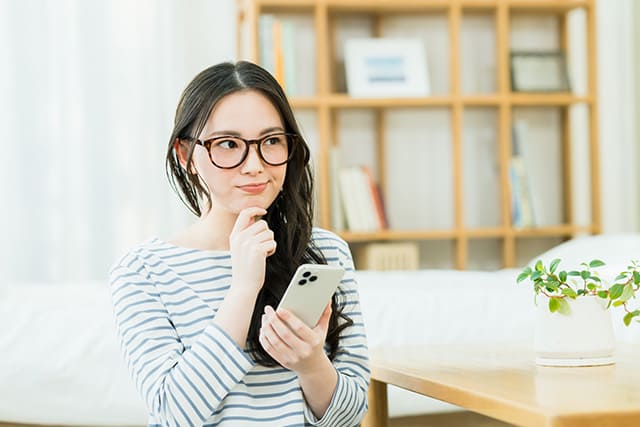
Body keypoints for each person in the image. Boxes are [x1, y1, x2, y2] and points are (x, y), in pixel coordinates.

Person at [109, 61, 370, 426]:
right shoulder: (143, 271)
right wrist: (244, 289)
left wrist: (311, 366)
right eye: (229, 144)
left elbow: (352, 416)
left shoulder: (326, 253)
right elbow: (173, 414)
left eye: (271, 141)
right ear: (186, 155)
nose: (254, 165)